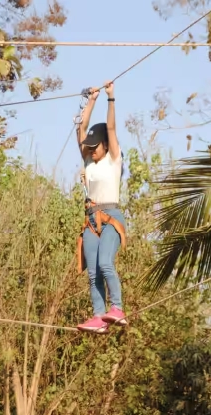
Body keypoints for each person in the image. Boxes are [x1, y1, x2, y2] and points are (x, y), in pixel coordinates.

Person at [75, 80, 127, 334]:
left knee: (106, 263)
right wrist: (91, 100)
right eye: (90, 147)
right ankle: (98, 317)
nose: (92, 150)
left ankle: (116, 308)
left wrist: (110, 98)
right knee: (93, 273)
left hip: (112, 217)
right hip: (91, 220)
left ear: (105, 145)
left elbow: (111, 127)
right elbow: (82, 127)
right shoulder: (88, 162)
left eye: (96, 147)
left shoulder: (114, 160)